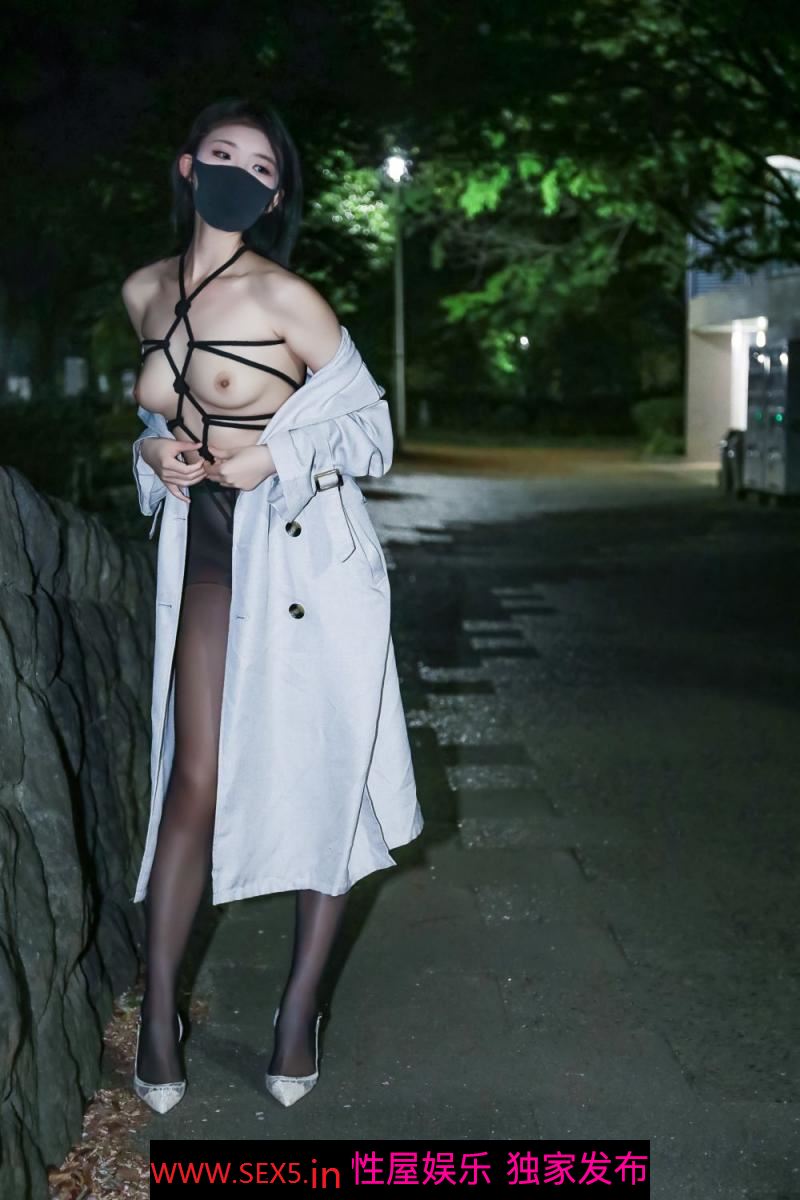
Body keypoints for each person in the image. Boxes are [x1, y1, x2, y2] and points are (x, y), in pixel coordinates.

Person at [121, 98, 421, 1113]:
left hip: (306, 564)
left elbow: (371, 436)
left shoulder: (289, 298)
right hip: (205, 552)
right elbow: (150, 417)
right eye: (222, 156)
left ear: (277, 194)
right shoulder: (144, 291)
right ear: (187, 166)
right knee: (192, 777)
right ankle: (158, 1012)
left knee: (322, 776)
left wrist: (273, 454)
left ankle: (298, 1009)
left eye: (259, 167)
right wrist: (153, 452)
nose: (238, 176)